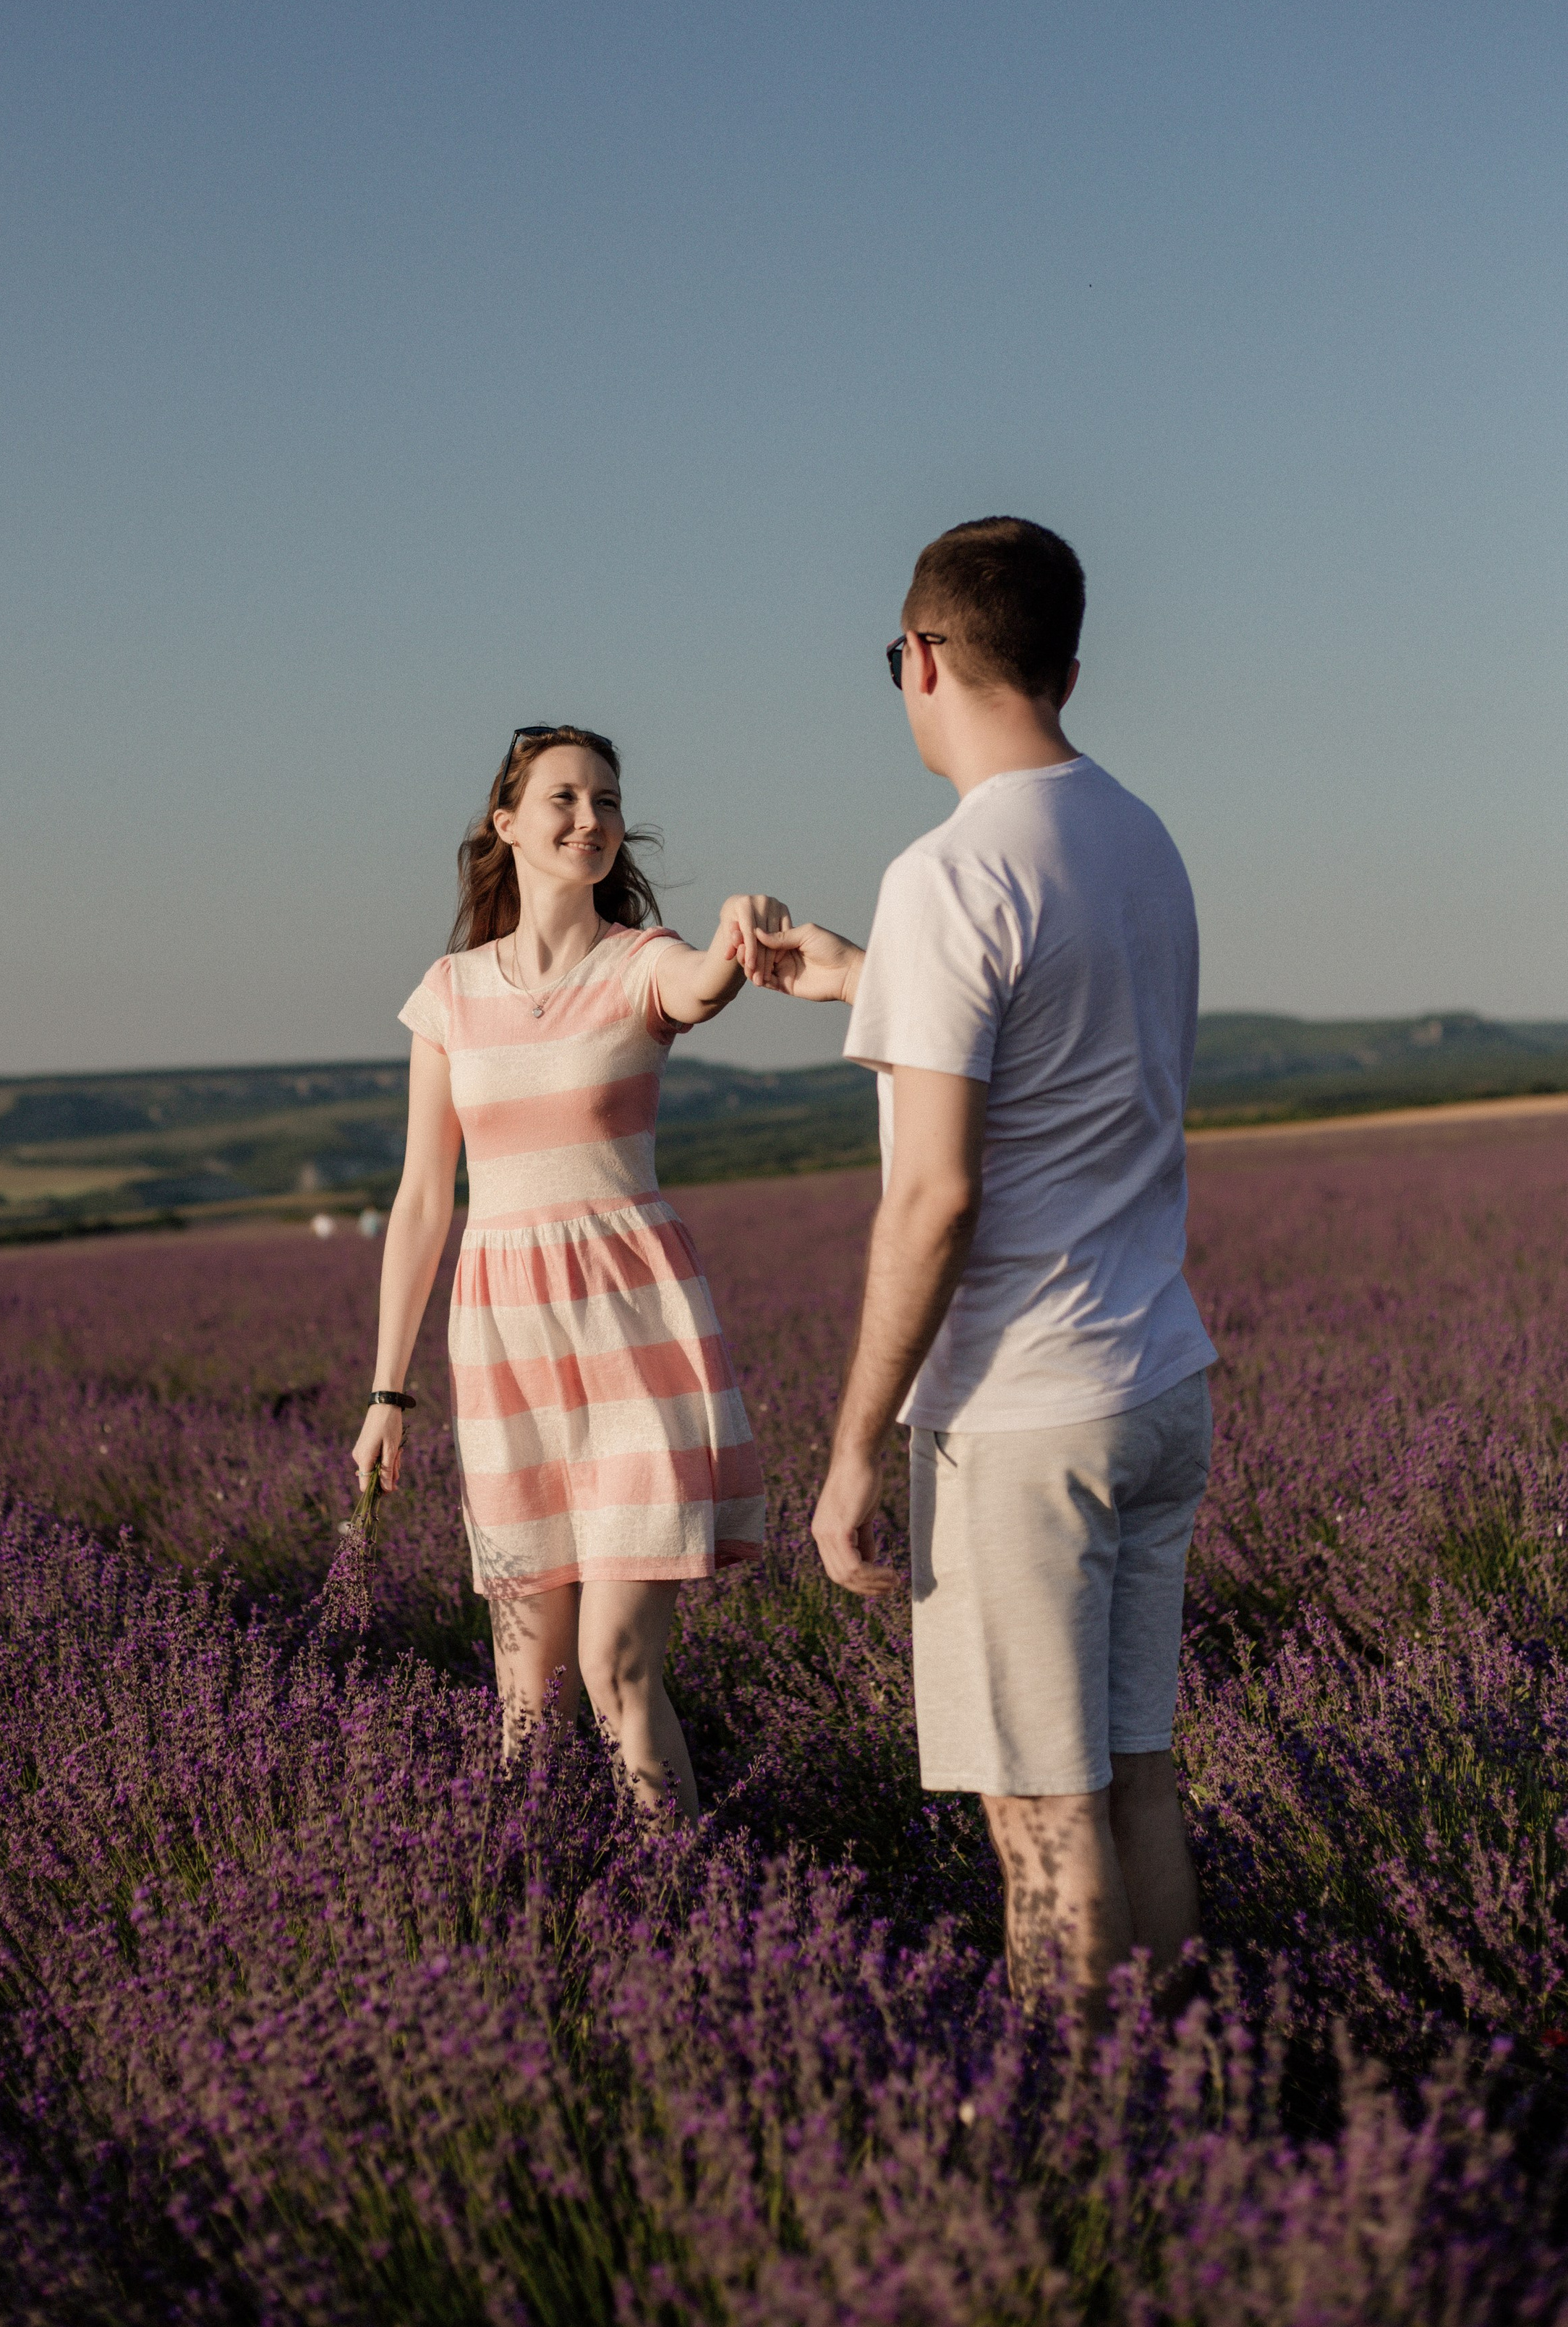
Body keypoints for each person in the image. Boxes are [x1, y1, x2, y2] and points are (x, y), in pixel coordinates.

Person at [755, 519, 1217, 2027]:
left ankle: (1091, 2159)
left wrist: (846, 1454)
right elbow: (1059, 1034)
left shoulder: (945, 875)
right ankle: (1188, 2121)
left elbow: (934, 1197)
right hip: (1154, 1377)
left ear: (925, 655)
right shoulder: (1137, 836)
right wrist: (853, 974)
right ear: (1065, 665)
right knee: (1132, 1778)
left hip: (1019, 1415)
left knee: (1038, 1816)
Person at [350, 723, 783, 1823]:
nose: (590, 819)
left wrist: (739, 932)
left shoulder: (643, 961)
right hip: (505, 1355)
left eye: (606, 800)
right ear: (507, 825)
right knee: (525, 1700)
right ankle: (531, 1904)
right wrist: (389, 1393)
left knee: (618, 1672)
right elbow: (420, 1200)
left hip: (637, 1344)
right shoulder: (447, 993)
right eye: (564, 799)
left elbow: (702, 987)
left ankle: (687, 1912)